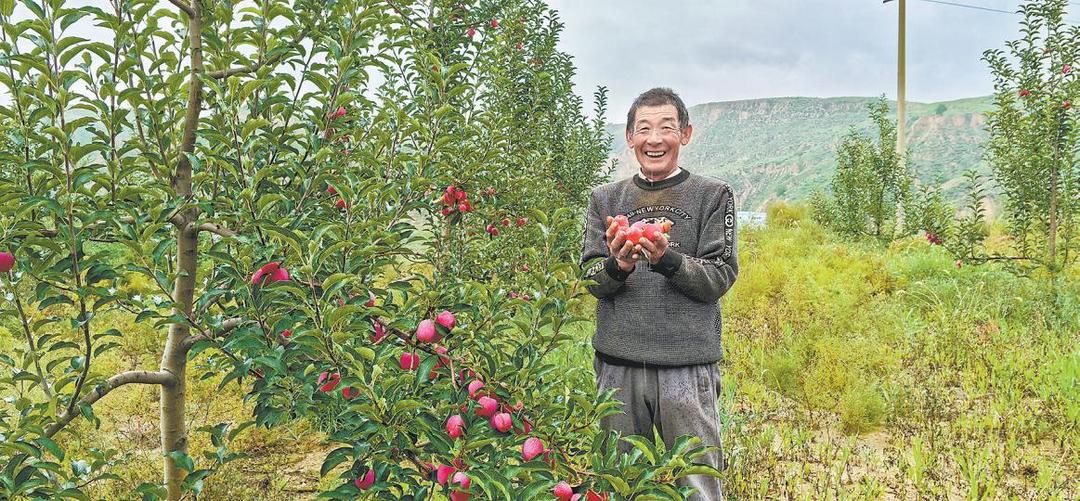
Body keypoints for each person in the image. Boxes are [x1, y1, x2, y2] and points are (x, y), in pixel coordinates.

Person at [580, 87, 738, 500]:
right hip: (618, 368)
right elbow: (592, 279)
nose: (655, 139)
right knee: (617, 482)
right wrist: (621, 265)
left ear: (685, 134)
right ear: (630, 137)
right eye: (644, 128)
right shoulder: (605, 200)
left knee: (697, 484)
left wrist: (668, 259)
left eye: (666, 127)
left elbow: (719, 277)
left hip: (686, 369)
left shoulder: (712, 195)